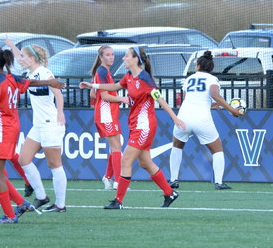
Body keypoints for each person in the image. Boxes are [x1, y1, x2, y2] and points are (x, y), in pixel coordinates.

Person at [79, 46, 186, 209]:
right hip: (135, 125)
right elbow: (115, 87)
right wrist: (93, 85)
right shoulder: (129, 76)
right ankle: (169, 193)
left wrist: (175, 118)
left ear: (136, 59)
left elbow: (160, 99)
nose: (123, 58)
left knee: (126, 159)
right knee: (146, 163)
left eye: (126, 56)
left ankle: (118, 201)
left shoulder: (145, 79)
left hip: (145, 126)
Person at [0, 48, 64, 223]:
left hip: (1, 130)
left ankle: (11, 215)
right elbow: (30, 82)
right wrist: (50, 82)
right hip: (10, 128)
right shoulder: (11, 78)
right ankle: (22, 203)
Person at [6, 38, 68, 213]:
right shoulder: (31, 72)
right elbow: (21, 55)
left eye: (23, 57)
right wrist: (12, 45)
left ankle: (60, 205)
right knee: (23, 160)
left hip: (50, 124)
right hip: (38, 125)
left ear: (32, 59)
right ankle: (41, 197)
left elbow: (58, 93)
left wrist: (60, 112)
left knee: (54, 164)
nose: (19, 60)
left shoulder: (44, 73)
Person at [168, 51, 244, 190]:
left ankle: (173, 180)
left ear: (198, 66)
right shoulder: (212, 79)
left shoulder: (189, 79)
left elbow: (189, 100)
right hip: (201, 119)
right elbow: (215, 95)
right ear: (210, 67)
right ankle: (219, 182)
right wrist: (232, 110)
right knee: (217, 149)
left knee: (177, 146)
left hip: (183, 117)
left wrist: (212, 105)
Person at [88, 45, 126, 191]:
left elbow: (93, 94)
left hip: (109, 114)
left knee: (115, 146)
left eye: (112, 54)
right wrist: (122, 99)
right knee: (116, 147)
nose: (111, 57)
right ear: (101, 57)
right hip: (106, 115)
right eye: (108, 55)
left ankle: (108, 177)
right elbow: (104, 96)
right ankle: (118, 181)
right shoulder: (102, 72)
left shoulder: (103, 72)